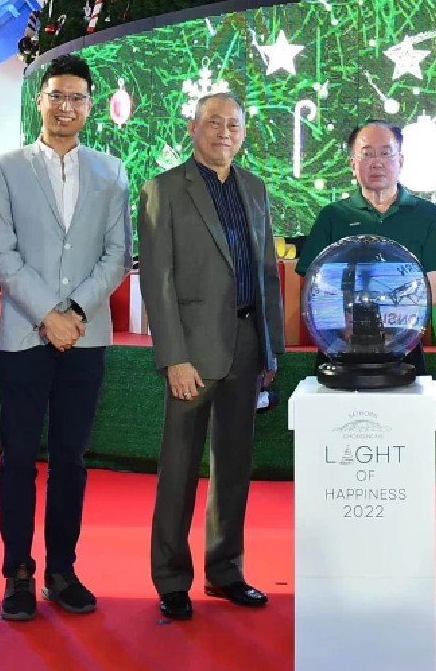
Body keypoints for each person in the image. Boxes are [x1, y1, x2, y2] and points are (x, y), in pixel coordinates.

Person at [0, 55, 131, 622]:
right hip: (24, 334)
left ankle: (62, 569)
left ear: (90, 107)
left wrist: (72, 313)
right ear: (39, 101)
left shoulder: (111, 171)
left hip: (85, 338)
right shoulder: (7, 167)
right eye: (57, 96)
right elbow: (0, 253)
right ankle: (17, 571)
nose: (66, 107)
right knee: (18, 456)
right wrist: (48, 313)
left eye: (77, 98)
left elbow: (117, 256)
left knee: (71, 458)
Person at [142, 91, 282, 622]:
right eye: (215, 123)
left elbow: (266, 271)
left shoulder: (254, 188)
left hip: (248, 345)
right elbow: (157, 283)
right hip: (192, 353)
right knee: (178, 467)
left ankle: (225, 570)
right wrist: (173, 357)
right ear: (194, 128)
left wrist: (270, 345)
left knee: (234, 466)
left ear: (243, 134)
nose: (225, 133)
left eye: (235, 126)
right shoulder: (164, 190)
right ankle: (172, 578)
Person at [295, 122, 436, 373]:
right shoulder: (333, 216)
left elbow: (434, 290)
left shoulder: (427, 215)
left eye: (385, 153)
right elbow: (314, 288)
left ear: (400, 161)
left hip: (403, 352)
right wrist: (346, 327)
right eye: (367, 154)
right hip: (339, 350)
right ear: (352, 164)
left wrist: (390, 327)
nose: (377, 162)